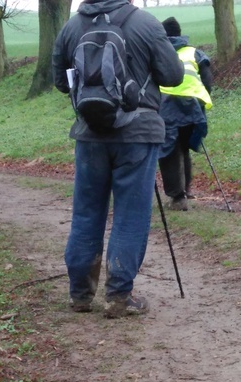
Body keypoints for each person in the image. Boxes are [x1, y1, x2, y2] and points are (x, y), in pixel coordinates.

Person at [52, 0, 184, 318]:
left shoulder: (71, 27)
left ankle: (81, 294)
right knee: (130, 215)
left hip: (90, 134)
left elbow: (59, 82)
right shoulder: (146, 24)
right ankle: (119, 296)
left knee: (86, 214)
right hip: (137, 135)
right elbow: (173, 76)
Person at [158, 17, 213, 211]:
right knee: (184, 148)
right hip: (193, 108)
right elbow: (207, 81)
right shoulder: (194, 52)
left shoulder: (159, 54)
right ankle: (186, 190)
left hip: (166, 108)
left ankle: (178, 198)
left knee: (169, 152)